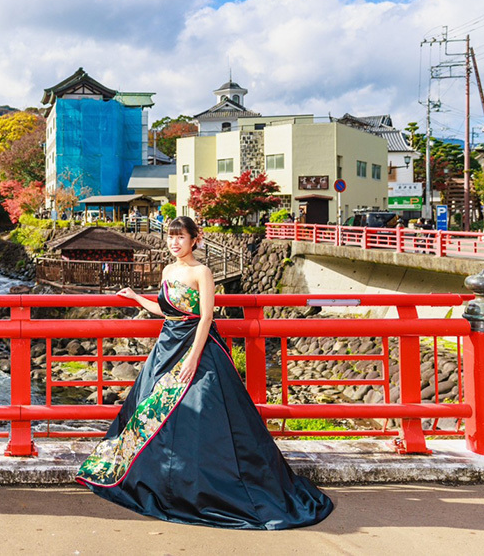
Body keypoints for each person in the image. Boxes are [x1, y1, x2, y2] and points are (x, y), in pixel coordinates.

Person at [76, 216, 333, 529]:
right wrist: (136, 298)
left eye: (180, 237)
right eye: (170, 237)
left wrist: (193, 358)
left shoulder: (202, 272)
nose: (174, 243)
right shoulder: (167, 270)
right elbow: (166, 310)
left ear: (194, 239)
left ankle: (200, 490)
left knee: (203, 421)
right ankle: (163, 483)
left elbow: (206, 317)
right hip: (166, 349)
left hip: (196, 349)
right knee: (150, 415)